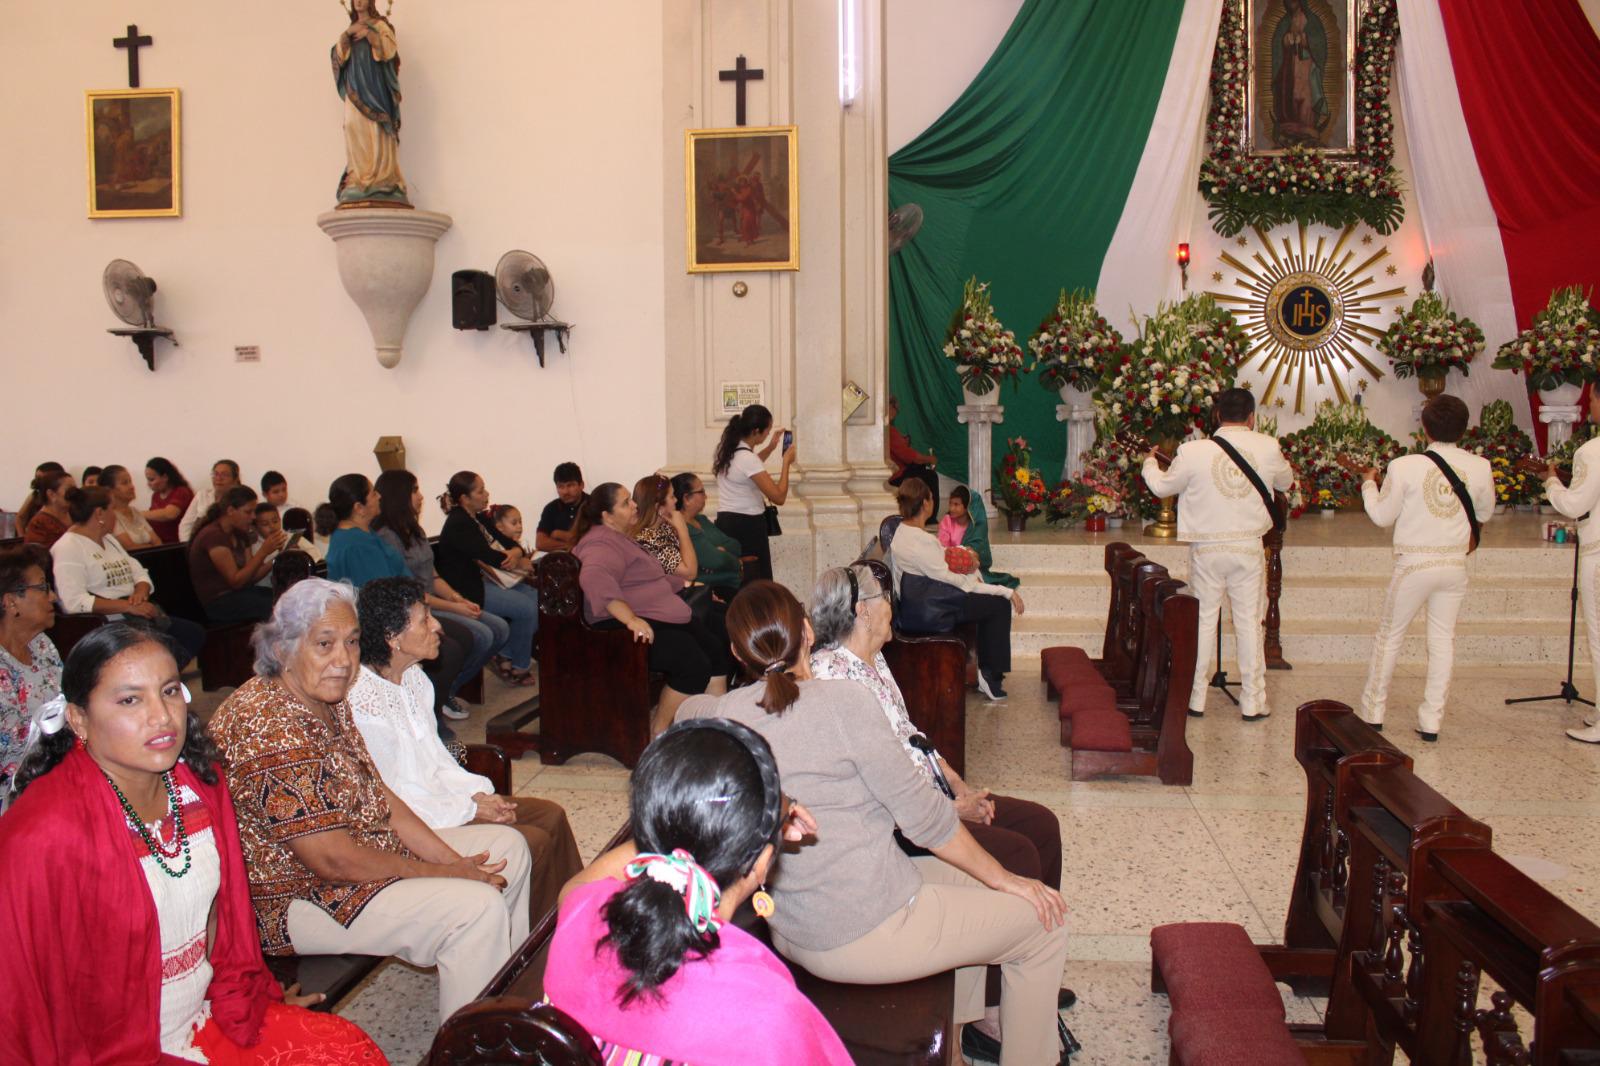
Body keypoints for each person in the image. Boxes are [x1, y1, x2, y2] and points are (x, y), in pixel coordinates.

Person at [679, 582, 1071, 1066]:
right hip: (865, 928)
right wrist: (1008, 879)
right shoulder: (844, 703)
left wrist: (693, 707)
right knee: (1044, 923)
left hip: (796, 925)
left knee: (984, 888)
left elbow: (683, 711)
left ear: (737, 651)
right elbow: (926, 821)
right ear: (806, 631)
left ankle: (957, 1042)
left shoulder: (725, 715)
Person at [0, 625, 387, 1061]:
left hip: (204, 1015)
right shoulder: (41, 834)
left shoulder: (199, 786)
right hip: (113, 1047)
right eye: (130, 700)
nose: (162, 717)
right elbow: (19, 995)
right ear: (78, 719)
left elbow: (222, 920)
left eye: (169, 691)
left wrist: (251, 999)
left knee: (348, 1048)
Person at [209, 579, 531, 1024]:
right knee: (472, 908)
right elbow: (332, 861)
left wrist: (456, 861)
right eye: (324, 643)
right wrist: (444, 870)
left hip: (354, 856)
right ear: (283, 649)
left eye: (352, 641)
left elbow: (378, 792)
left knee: (507, 850)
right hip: (296, 896)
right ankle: (472, 1045)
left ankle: (495, 1003)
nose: (343, 659)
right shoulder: (270, 722)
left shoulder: (325, 695)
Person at [548, 719, 852, 1065]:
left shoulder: (581, 915)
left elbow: (577, 886)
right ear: (762, 863)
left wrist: (670, 829)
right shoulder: (767, 1013)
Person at [349, 577, 582, 922]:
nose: (438, 626)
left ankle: (579, 921)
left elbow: (438, 759)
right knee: (533, 842)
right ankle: (532, 951)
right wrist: (467, 810)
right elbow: (394, 798)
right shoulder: (363, 703)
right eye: (425, 619)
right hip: (415, 826)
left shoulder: (414, 678)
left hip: (445, 804)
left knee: (551, 814)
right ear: (392, 637)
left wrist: (478, 795)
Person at [1142, 388, 1294, 722]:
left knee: (1204, 621)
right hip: (1247, 547)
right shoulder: (1267, 445)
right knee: (1249, 624)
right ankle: (1253, 701)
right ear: (1252, 417)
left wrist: (1150, 463)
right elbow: (1286, 480)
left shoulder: (1192, 450)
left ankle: (1195, 698)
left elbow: (1162, 487)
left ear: (1216, 416)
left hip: (1207, 548)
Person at [1354, 395, 1493, 742]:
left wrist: (1369, 484)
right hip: (1454, 564)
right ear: (1464, 428)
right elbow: (1485, 514)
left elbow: (1382, 516)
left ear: (1425, 428)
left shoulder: (1405, 466)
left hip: (1414, 564)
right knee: (1443, 640)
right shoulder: (1480, 466)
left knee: (1390, 636)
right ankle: (1431, 721)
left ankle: (1373, 713)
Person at [571, 483, 728, 736]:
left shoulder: (619, 537)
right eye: (625, 503)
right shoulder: (600, 543)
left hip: (657, 614)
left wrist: (690, 585)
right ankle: (659, 732)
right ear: (607, 516)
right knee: (692, 662)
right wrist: (631, 619)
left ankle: (714, 726)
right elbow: (594, 578)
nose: (634, 505)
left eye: (630, 500)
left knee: (715, 648)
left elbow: (648, 577)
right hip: (618, 628)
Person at [326, 474, 469, 731]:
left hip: (407, 608)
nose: (378, 496)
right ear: (359, 507)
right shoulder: (355, 544)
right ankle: (426, 714)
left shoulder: (364, 533)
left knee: (465, 638)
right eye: (372, 494)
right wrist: (420, 618)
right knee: (451, 649)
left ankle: (430, 705)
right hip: (385, 622)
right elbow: (381, 597)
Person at [373, 469, 510, 719]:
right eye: (415, 490)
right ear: (399, 495)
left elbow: (433, 576)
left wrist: (458, 598)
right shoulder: (387, 537)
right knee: (479, 634)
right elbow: (411, 590)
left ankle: (447, 689)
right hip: (415, 609)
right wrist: (455, 608)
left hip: (433, 601)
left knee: (499, 629)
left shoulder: (414, 529)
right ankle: (437, 697)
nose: (421, 496)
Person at [889, 479, 1023, 701]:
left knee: (986, 601)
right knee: (998, 605)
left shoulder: (903, 531)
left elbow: (938, 561)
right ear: (925, 503)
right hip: (931, 610)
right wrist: (1004, 591)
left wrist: (964, 555)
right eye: (932, 498)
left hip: (921, 602)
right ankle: (990, 675)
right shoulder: (921, 540)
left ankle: (985, 669)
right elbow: (955, 582)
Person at [50, 486, 206, 667]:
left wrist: (140, 593)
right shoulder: (68, 547)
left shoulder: (109, 540)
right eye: (113, 509)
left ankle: (158, 679)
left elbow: (138, 571)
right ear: (99, 513)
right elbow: (74, 602)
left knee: (192, 634)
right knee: (165, 646)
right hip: (106, 621)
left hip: (133, 612)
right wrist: (128, 607)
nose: (115, 515)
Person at [1537, 390, 1600, 744]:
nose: (1588, 405)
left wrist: (1551, 483)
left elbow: (1575, 505)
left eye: (1592, 399)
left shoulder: (1591, 450)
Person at [436, 472, 539, 686]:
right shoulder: (458, 524)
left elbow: (512, 545)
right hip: (468, 589)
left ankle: (506, 653)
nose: (486, 494)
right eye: (480, 490)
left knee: (537, 598)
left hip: (488, 580)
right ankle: (519, 665)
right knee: (526, 609)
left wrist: (516, 554)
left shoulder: (479, 518)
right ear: (465, 498)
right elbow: (492, 557)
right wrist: (515, 557)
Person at [333, 0, 409, 206]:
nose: (358, 1)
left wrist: (371, 35)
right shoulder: (350, 29)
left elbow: (389, 52)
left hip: (375, 88)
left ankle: (382, 178)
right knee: (351, 125)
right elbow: (339, 56)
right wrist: (347, 36)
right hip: (355, 88)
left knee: (375, 129)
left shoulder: (381, 25)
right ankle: (358, 176)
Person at [712, 404, 795, 582]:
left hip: (727, 523)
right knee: (756, 580)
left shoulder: (730, 451)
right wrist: (786, 462)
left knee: (736, 580)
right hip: (747, 526)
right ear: (757, 431)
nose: (767, 435)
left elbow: (749, 468)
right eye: (767, 431)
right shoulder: (747, 459)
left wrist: (771, 447)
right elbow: (779, 497)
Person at [0, 546, 58, 791]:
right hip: (15, 789)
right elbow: (13, 745)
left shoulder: (41, 643)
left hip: (55, 768)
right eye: (43, 587)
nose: (53, 596)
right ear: (11, 602)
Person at [189, 486, 283, 624]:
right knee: (277, 607)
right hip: (219, 601)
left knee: (286, 598)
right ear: (231, 511)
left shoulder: (240, 533)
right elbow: (236, 581)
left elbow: (251, 576)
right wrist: (263, 552)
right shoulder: (213, 536)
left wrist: (277, 557)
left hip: (243, 593)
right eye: (248, 512)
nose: (253, 517)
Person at [672, 471, 744, 593]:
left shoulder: (702, 520)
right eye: (701, 492)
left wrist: (721, 551)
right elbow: (716, 560)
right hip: (710, 592)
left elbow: (735, 545)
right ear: (686, 499)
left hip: (731, 585)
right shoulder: (683, 529)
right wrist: (737, 562)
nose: (706, 496)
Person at [939, 485, 1020, 589]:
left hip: (971, 565)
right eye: (950, 503)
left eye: (956, 504)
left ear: (968, 506)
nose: (952, 508)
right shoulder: (947, 521)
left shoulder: (975, 525)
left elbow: (976, 550)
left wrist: (967, 555)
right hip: (950, 563)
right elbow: (942, 546)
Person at [630, 475, 697, 588]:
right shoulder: (647, 540)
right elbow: (690, 573)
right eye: (672, 497)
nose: (676, 500)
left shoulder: (663, 527)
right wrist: (683, 531)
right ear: (659, 508)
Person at [887, 395, 940, 523]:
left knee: (923, 473)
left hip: (897, 472)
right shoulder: (889, 431)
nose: (896, 412)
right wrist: (930, 459)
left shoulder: (888, 430)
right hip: (897, 476)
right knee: (930, 476)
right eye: (895, 408)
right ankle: (931, 519)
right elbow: (909, 456)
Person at [181, 459, 245, 542]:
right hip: (200, 542)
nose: (219, 478)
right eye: (216, 474)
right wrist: (187, 545)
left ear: (235, 478)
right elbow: (186, 524)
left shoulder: (242, 497)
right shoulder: (202, 494)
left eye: (224, 475)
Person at [102, 464, 159, 549]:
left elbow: (158, 542)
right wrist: (150, 546)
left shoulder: (135, 511)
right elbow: (130, 548)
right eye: (125, 483)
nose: (132, 486)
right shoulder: (110, 516)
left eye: (130, 481)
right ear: (110, 490)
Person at [536, 462, 587, 552]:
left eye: (570, 485)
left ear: (581, 485)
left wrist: (556, 534)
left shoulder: (593, 505)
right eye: (561, 487)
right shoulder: (551, 508)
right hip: (560, 561)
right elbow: (540, 543)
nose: (565, 491)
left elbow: (595, 539)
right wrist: (571, 544)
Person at [144, 456, 195, 544]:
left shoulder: (181, 491)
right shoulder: (155, 495)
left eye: (151, 479)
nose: (148, 484)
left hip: (177, 544)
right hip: (159, 543)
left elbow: (170, 514)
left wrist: (136, 513)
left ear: (165, 477)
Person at [21, 469, 76, 548]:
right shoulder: (38, 524)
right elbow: (38, 557)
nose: (75, 494)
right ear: (51, 494)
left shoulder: (75, 514)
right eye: (69, 490)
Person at [14, 461, 63, 532]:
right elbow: (20, 517)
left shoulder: (62, 498)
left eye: (43, 479)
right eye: (37, 478)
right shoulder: (34, 495)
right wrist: (22, 537)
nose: (39, 482)